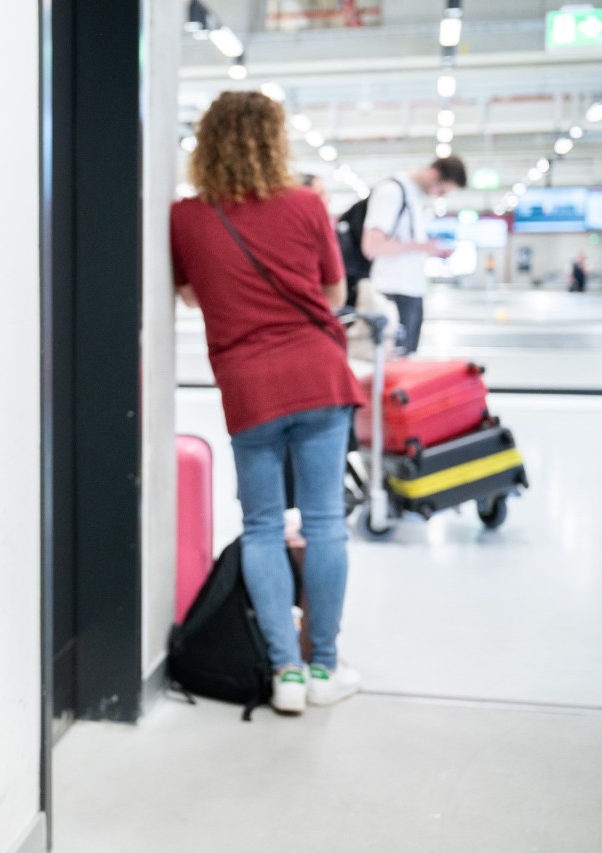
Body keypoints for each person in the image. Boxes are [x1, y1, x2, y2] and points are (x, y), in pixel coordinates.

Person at [170, 91, 366, 714]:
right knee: (324, 522)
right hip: (319, 377)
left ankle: (284, 675)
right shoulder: (308, 204)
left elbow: (192, 298)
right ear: (275, 142)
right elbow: (335, 290)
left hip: (249, 387)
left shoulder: (187, 217)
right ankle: (324, 669)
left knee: (260, 526)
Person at [362, 156, 466, 354]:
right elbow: (372, 246)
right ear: (434, 174)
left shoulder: (414, 196)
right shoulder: (392, 191)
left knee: (408, 360)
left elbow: (404, 246)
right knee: (394, 365)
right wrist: (420, 247)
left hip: (410, 292)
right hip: (392, 293)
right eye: (441, 190)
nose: (439, 195)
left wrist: (428, 250)